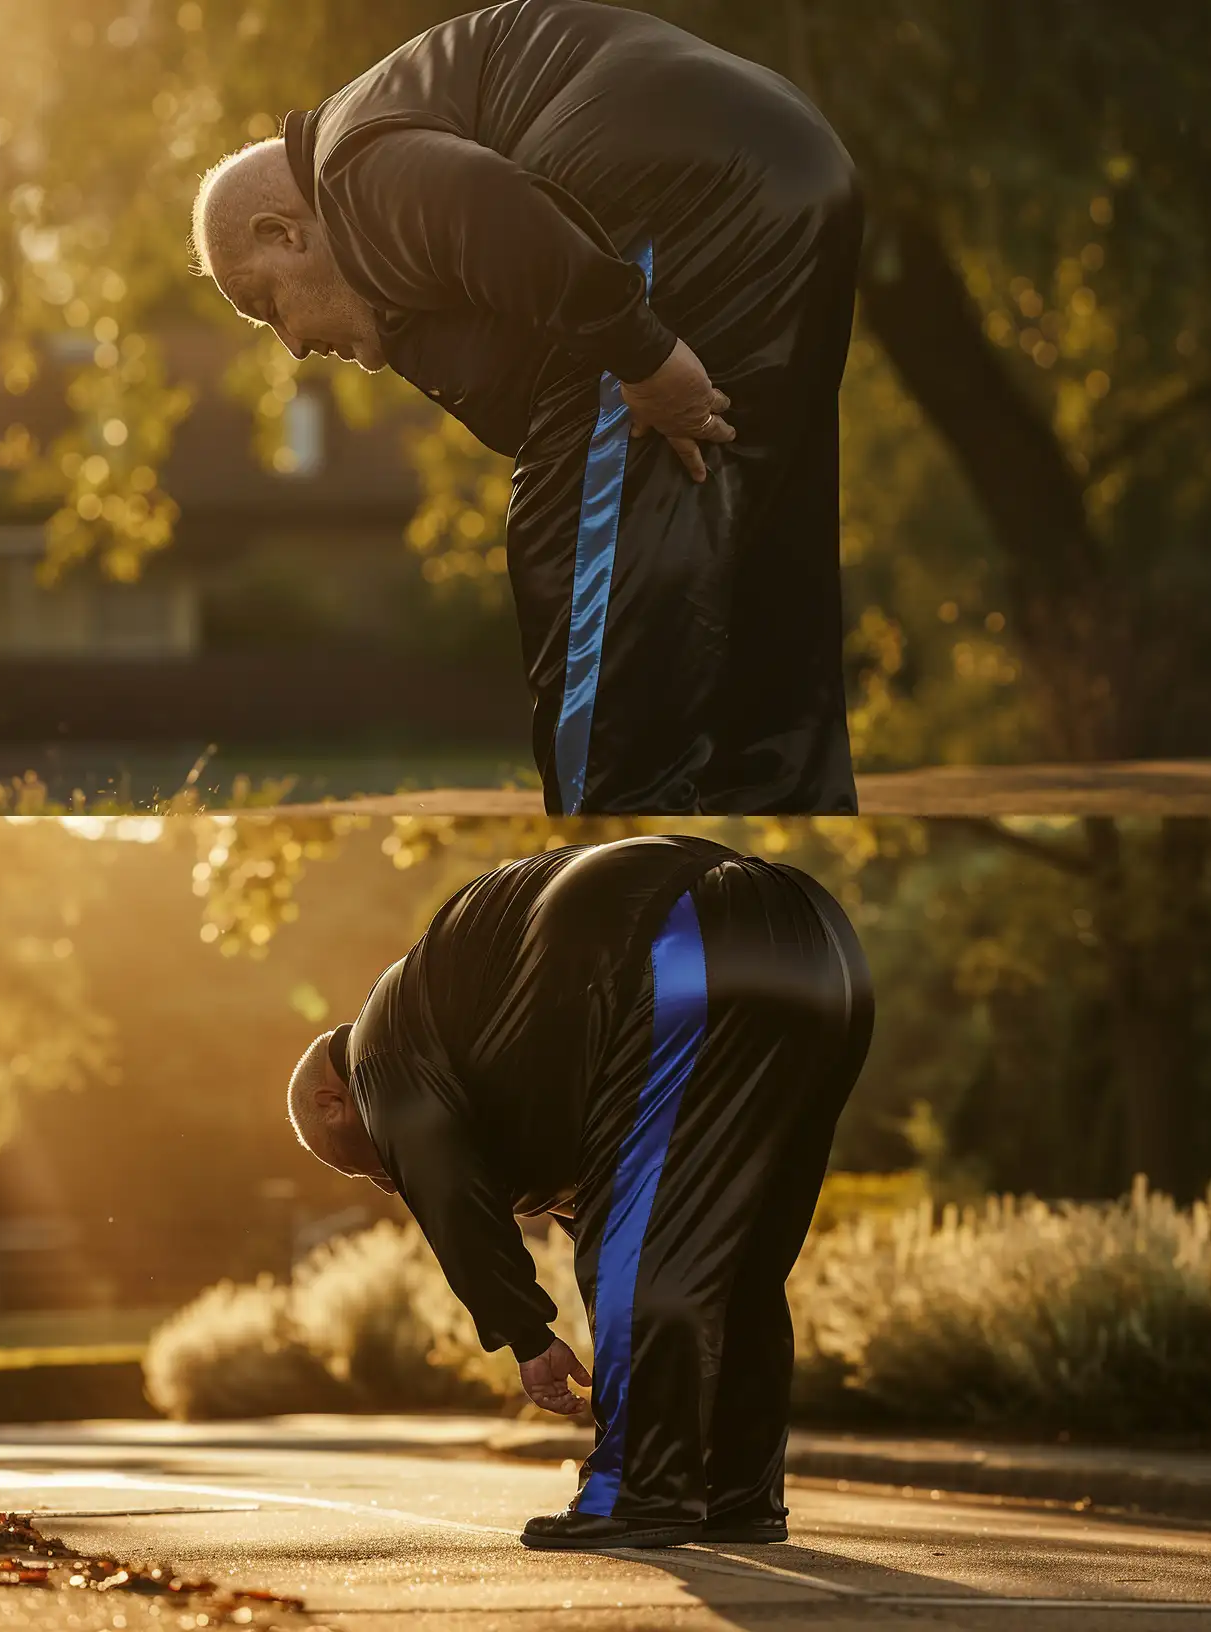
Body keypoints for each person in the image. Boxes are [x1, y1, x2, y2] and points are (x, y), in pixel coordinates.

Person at [192, 0, 864, 815]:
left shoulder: (354, 167)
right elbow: (523, 400)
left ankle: (610, 852)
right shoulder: (393, 174)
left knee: (574, 545)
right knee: (750, 529)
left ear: (285, 234)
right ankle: (783, 822)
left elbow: (488, 201)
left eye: (268, 307)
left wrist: (645, 355)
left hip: (680, 173)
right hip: (802, 168)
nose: (292, 346)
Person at [284, 834, 872, 1550]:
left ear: (332, 1101)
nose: (387, 1184)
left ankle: (639, 1489)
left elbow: (449, 1192)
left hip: (690, 939)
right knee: (739, 1263)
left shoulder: (379, 1051)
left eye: (370, 1169)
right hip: (823, 946)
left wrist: (526, 1334)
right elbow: (572, 1174)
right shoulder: (465, 1019)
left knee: (636, 1257)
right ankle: (738, 1492)